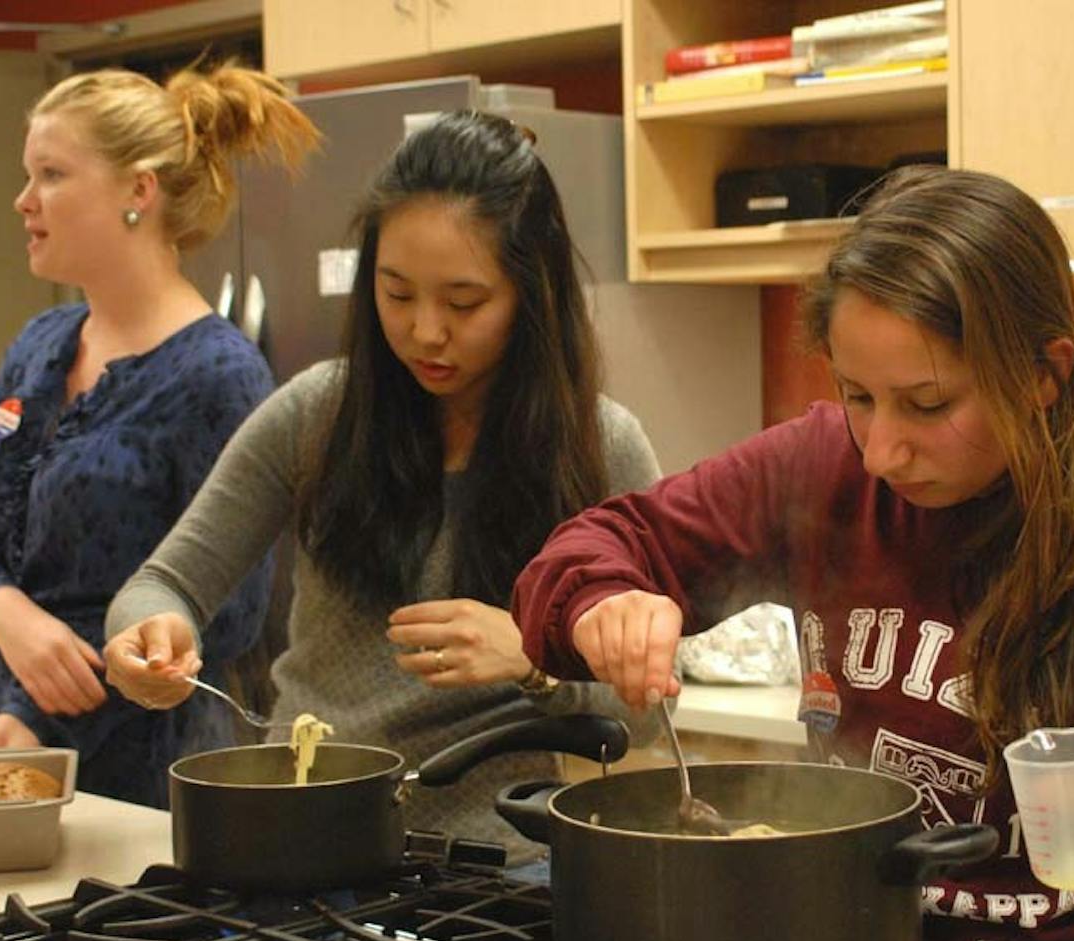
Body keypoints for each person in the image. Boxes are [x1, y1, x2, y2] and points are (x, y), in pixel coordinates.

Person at [511, 167, 1074, 941]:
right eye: (858, 395)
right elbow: (597, 546)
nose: (880, 451)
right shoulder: (819, 469)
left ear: (1046, 376)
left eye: (927, 404)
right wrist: (603, 601)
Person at [102, 111, 661, 854]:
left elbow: (651, 710)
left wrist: (536, 660)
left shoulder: (598, 447)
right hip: (304, 837)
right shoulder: (317, 414)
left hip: (495, 869)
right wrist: (144, 637)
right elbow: (163, 584)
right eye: (397, 294)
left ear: (533, 294)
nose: (426, 331)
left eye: (464, 303)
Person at [0, 63, 319, 808]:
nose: (24, 201)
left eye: (52, 174)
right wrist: (7, 613)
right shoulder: (41, 343)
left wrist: (38, 714)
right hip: (0, 753)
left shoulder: (218, 375)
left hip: (142, 779)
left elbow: (224, 611)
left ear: (138, 191)